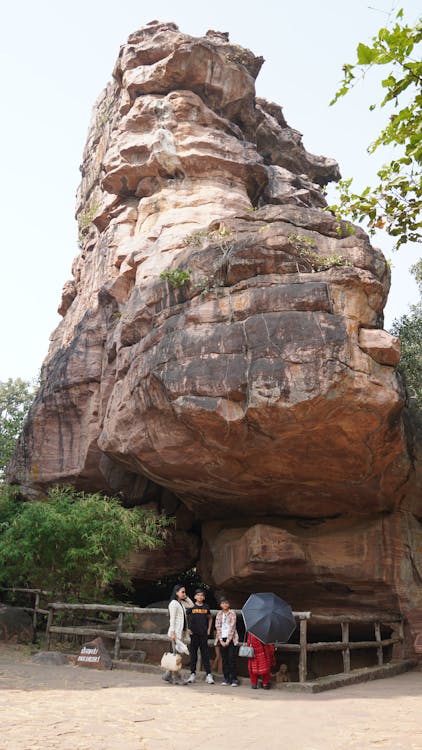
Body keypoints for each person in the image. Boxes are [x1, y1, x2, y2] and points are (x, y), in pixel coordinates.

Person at [162, 583, 193, 685]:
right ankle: (177, 677)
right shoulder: (173, 604)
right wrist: (172, 632)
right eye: (182, 592)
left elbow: (192, 605)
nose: (184, 593)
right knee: (177, 656)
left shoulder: (181, 603)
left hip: (181, 633)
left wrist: (185, 597)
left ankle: (168, 675)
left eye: (185, 592)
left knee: (176, 655)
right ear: (176, 592)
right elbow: (172, 619)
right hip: (175, 633)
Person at [186, 588, 214, 684]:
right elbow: (185, 616)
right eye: (198, 595)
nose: (200, 597)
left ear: (204, 597)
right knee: (193, 655)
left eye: (202, 595)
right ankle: (192, 674)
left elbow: (210, 618)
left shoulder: (206, 607)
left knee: (205, 654)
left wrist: (209, 629)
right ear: (195, 597)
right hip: (193, 634)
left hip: (203, 634)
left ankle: (209, 675)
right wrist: (187, 628)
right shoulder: (191, 606)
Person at [214, 596, 239, 686]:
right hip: (222, 638)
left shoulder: (232, 613)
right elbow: (217, 627)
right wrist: (221, 640)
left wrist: (228, 641)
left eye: (226, 603)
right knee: (224, 659)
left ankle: (234, 679)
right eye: (223, 603)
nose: (225, 604)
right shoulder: (219, 614)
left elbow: (232, 627)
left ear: (229, 604)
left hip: (231, 638)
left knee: (231, 658)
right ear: (220, 605)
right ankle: (226, 678)